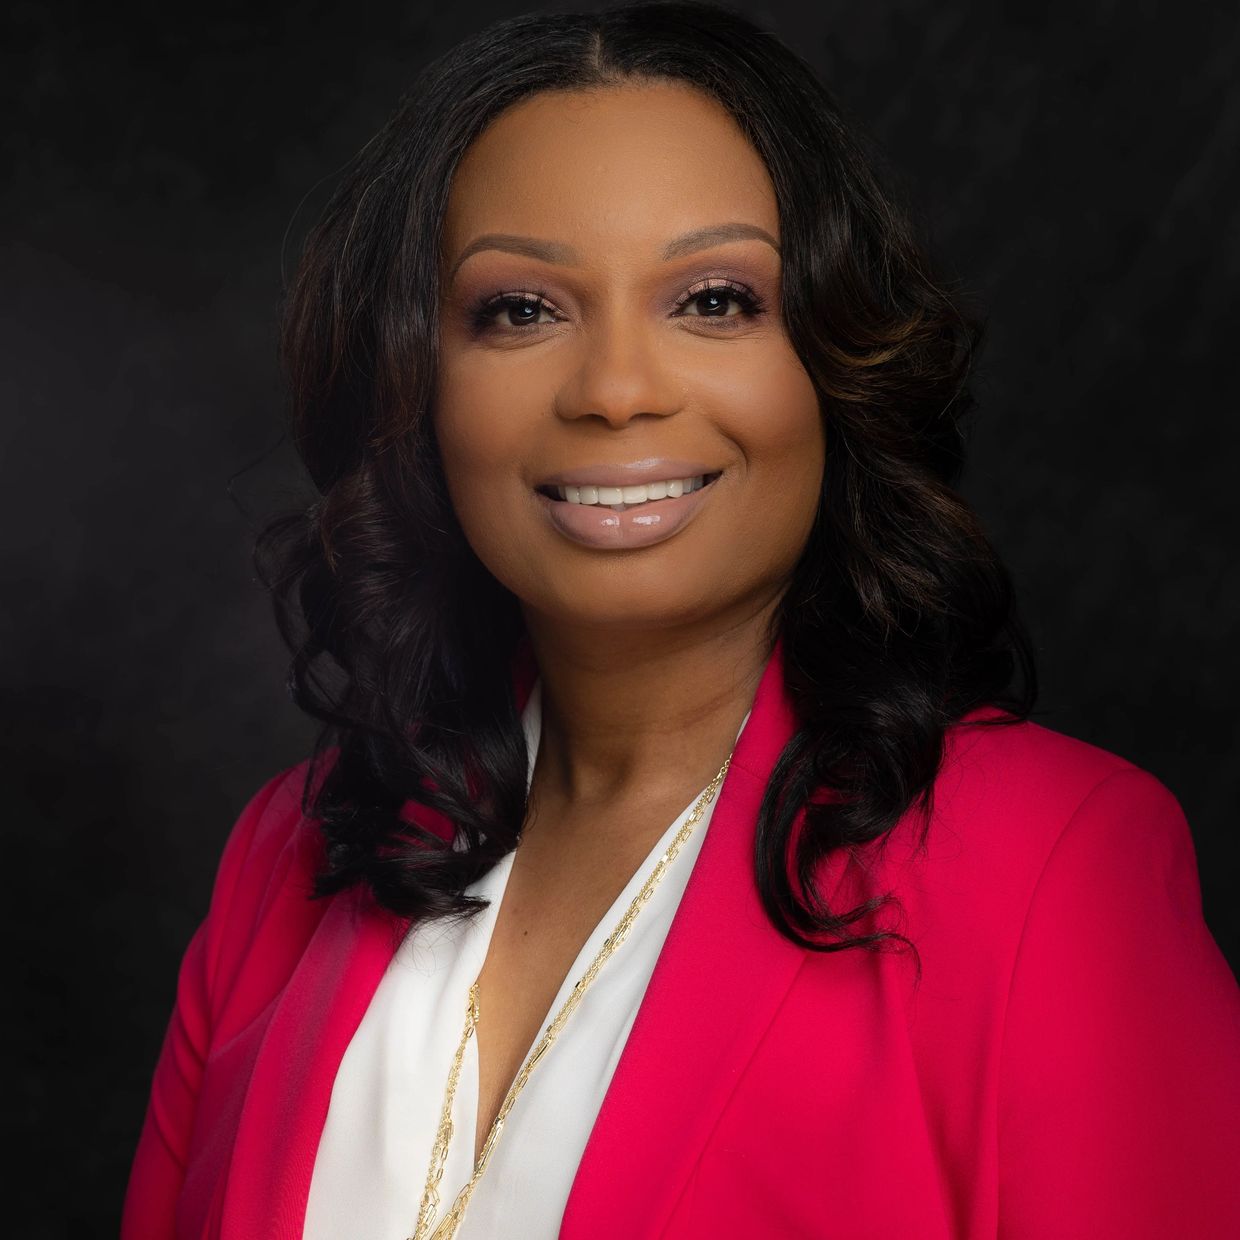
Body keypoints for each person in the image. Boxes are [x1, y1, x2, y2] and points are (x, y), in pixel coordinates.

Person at [120, 3, 1240, 1238]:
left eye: (711, 299)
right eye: (520, 309)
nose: (613, 391)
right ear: (417, 382)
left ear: (835, 360)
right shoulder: (289, 856)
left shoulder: (1051, 864)